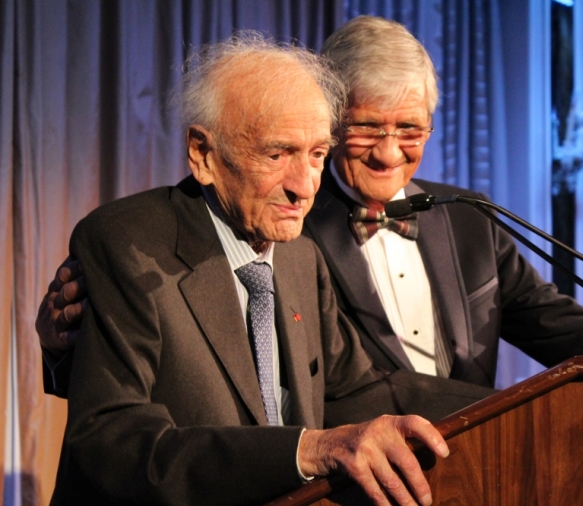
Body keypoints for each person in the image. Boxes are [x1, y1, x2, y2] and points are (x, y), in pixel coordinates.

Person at [38, 17, 583, 399]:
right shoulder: (279, 227)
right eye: (366, 132)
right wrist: (65, 350)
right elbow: (185, 377)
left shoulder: (468, 218)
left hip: (482, 463)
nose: (389, 155)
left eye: (409, 132)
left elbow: (563, 330)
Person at [48, 33, 493, 506]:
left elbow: (356, 388)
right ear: (203, 154)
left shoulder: (301, 256)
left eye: (317, 154)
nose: (304, 187)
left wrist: (514, 403)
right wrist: (307, 450)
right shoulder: (128, 243)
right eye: (277, 154)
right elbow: (113, 440)